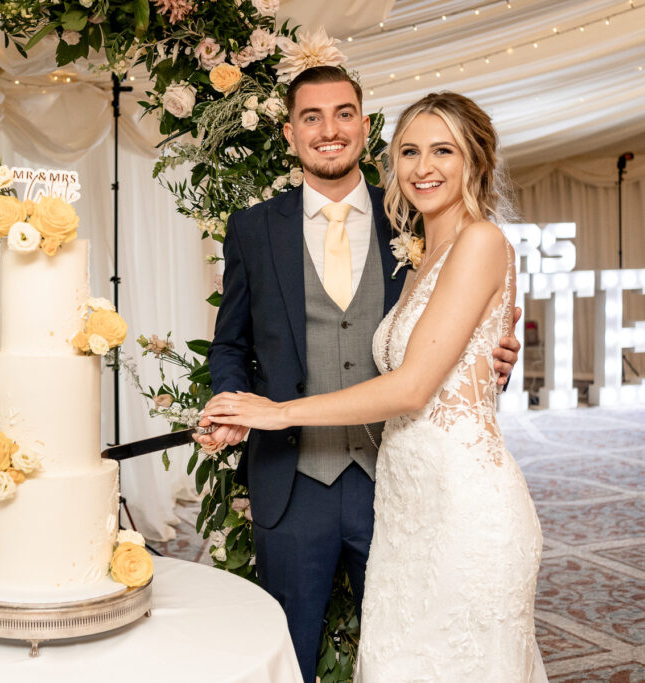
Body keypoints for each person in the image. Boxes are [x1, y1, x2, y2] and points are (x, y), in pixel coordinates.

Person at [204, 91, 547, 681]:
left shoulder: (462, 237)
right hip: (381, 498)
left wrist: (279, 412)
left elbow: (422, 383)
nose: (423, 167)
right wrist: (235, 406)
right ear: (289, 132)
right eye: (410, 152)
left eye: (443, 151)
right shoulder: (416, 251)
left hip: (448, 499)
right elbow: (233, 341)